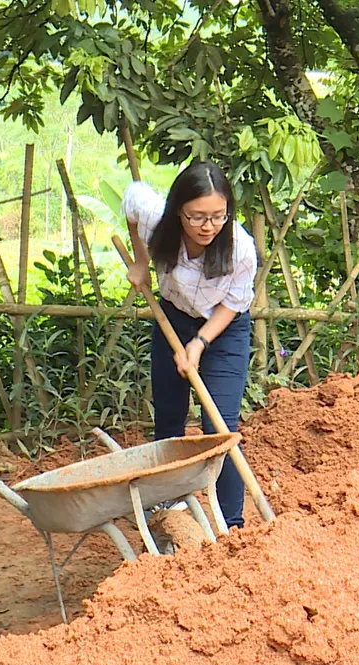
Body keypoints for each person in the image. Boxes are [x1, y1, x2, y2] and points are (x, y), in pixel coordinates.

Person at [121, 161, 258, 530]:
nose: (208, 226)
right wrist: (140, 260)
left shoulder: (241, 248)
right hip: (174, 316)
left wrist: (199, 343)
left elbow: (234, 303)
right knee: (169, 416)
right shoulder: (156, 217)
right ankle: (166, 506)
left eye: (218, 216)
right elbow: (132, 198)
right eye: (197, 217)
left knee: (220, 424)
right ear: (178, 209)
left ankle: (233, 525)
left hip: (224, 330)